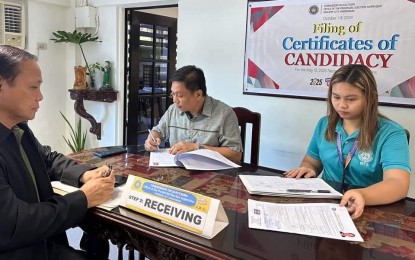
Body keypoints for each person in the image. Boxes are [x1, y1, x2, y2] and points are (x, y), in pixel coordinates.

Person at [0, 45, 115, 259]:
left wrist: (84, 174)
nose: (41, 97)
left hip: (44, 244)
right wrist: (85, 198)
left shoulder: (18, 127)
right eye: (34, 87)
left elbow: (47, 159)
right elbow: (15, 224)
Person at [285, 64, 410, 219]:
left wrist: (362, 195)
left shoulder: (391, 133)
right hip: (326, 206)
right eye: (336, 97)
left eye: (351, 99)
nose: (341, 105)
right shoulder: (325, 124)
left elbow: (398, 184)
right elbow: (311, 161)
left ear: (370, 98)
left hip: (366, 210)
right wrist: (308, 169)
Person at [144, 65, 243, 162]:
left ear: (198, 94)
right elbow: (157, 131)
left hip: (210, 174)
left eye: (179, 95)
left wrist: (197, 148)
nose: (174, 100)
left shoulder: (224, 114)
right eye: (173, 94)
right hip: (177, 172)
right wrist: (151, 140)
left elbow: (235, 154)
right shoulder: (173, 110)